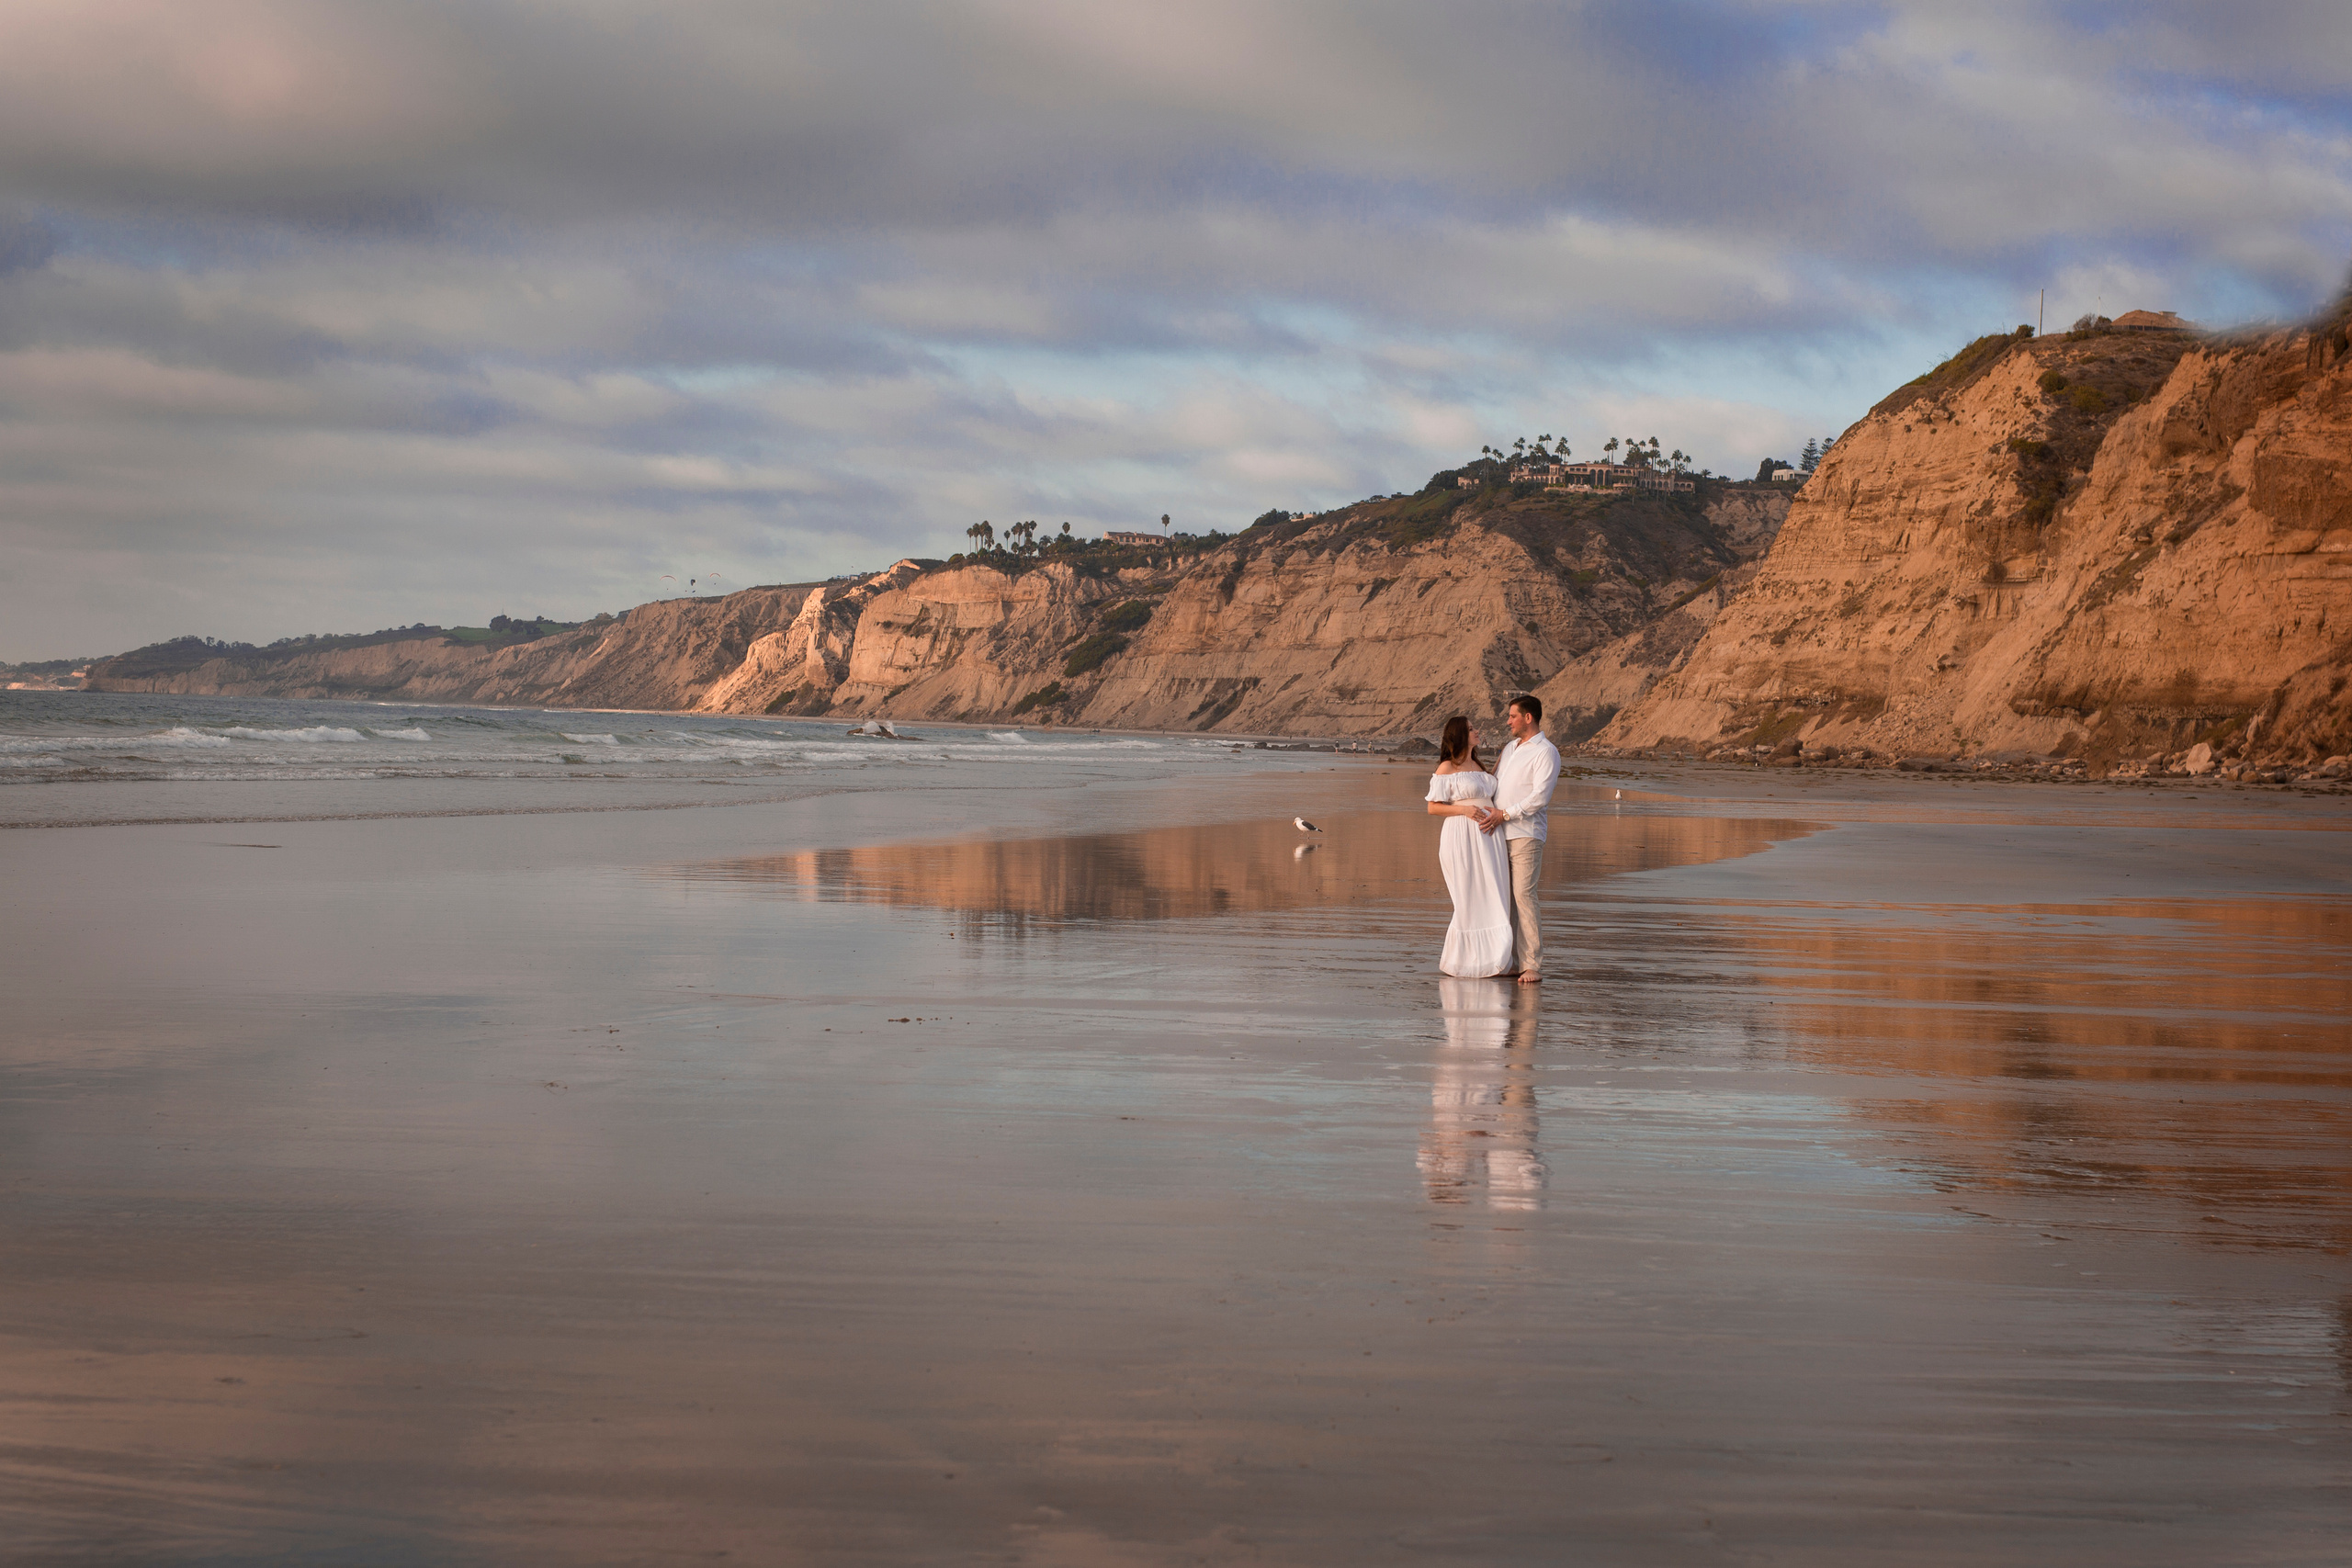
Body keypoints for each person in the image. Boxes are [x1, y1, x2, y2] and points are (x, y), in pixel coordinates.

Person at [1476, 694, 1561, 984]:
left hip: (1525, 834)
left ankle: (1532, 964)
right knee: (1505, 899)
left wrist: (1505, 814)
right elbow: (1494, 781)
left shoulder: (1546, 752)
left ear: (1528, 718)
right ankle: (1509, 961)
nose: (1508, 721)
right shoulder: (1511, 748)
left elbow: (1540, 797)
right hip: (1498, 833)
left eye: (1512, 715)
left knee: (1524, 895)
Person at [1424, 715, 1514, 977]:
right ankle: (1463, 961)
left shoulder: (1478, 764)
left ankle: (1497, 959)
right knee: (1469, 897)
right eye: (1471, 729)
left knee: (1495, 894)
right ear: (1460, 736)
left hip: (1490, 837)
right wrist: (1464, 810)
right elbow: (1432, 808)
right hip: (1461, 836)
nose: (1477, 731)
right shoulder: (1447, 767)